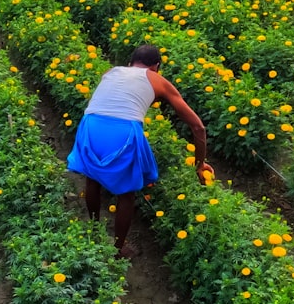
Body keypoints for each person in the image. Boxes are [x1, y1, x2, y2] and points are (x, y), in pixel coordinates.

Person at [68, 44, 212, 258]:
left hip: (90, 124)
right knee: (127, 193)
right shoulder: (157, 79)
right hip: (123, 131)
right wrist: (200, 164)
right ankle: (118, 249)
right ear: (157, 66)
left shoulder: (111, 72)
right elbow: (198, 127)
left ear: (130, 63)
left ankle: (94, 231)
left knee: (93, 180)